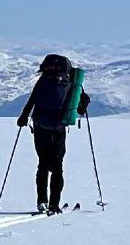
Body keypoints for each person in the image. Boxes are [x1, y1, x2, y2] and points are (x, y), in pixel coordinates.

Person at [17, 54, 90, 215]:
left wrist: (23, 117)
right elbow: (79, 109)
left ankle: (41, 201)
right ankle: (54, 204)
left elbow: (32, 100)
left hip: (40, 125)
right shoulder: (71, 83)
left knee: (43, 164)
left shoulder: (43, 80)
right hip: (58, 127)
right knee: (57, 167)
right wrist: (84, 99)